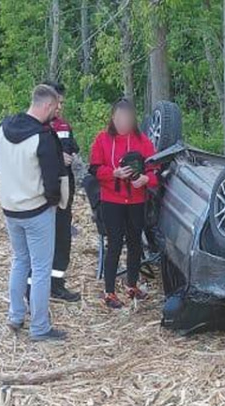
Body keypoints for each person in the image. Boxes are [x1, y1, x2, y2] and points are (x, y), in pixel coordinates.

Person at [0, 84, 67, 341]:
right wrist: (54, 202)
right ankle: (40, 327)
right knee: (41, 268)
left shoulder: (3, 128)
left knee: (20, 261)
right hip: (36, 210)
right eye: (56, 107)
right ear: (46, 106)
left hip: (10, 209)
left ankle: (15, 316)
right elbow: (52, 179)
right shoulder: (43, 137)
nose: (57, 112)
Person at [88, 98, 158, 309]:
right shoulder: (102, 139)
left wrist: (146, 179)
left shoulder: (142, 140)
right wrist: (114, 174)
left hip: (136, 200)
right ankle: (109, 292)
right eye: (119, 119)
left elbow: (155, 169)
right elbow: (94, 170)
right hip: (112, 201)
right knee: (115, 244)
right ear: (113, 118)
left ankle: (132, 285)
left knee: (135, 243)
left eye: (127, 119)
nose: (123, 123)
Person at [42, 81, 81, 303]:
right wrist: (58, 159)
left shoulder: (64, 127)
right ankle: (34, 289)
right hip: (42, 196)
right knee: (40, 243)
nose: (60, 107)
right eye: (58, 103)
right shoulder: (35, 128)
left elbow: (72, 150)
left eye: (62, 103)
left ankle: (57, 284)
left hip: (65, 193)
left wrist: (71, 158)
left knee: (62, 239)